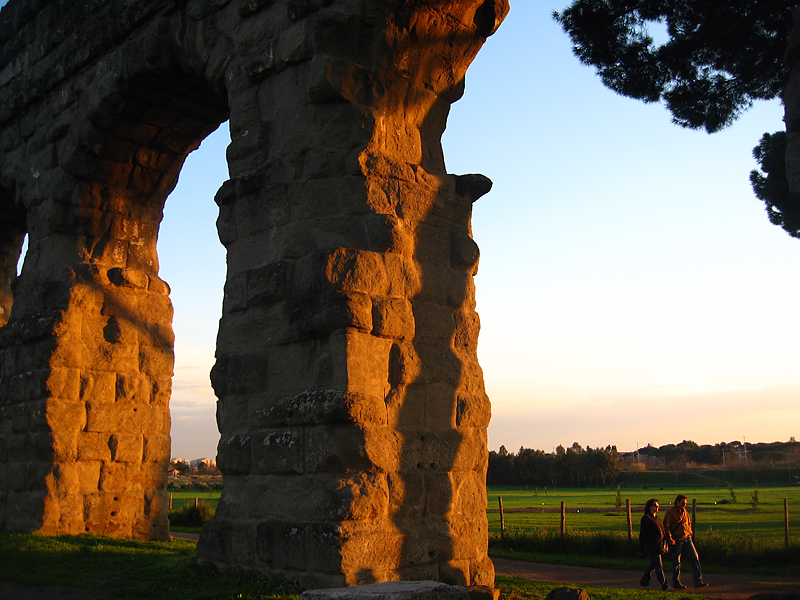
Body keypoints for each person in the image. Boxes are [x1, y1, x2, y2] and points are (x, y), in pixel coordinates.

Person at [662, 494, 709, 589]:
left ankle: (698, 581)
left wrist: (690, 533)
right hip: (677, 539)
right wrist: (669, 537)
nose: (684, 505)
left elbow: (688, 522)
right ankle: (676, 582)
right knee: (676, 561)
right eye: (683, 503)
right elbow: (666, 526)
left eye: (686, 503)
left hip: (687, 538)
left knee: (695, 557)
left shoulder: (685, 511)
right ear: (677, 502)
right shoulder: (670, 513)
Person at [638, 498, 673, 591]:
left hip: (659, 544)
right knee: (659, 565)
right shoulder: (646, 518)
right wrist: (641, 548)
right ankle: (665, 586)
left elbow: (663, 531)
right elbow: (643, 534)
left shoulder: (656, 518)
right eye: (655, 506)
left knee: (654, 564)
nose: (657, 507)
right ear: (650, 507)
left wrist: (668, 539)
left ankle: (644, 581)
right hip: (652, 544)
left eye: (658, 506)